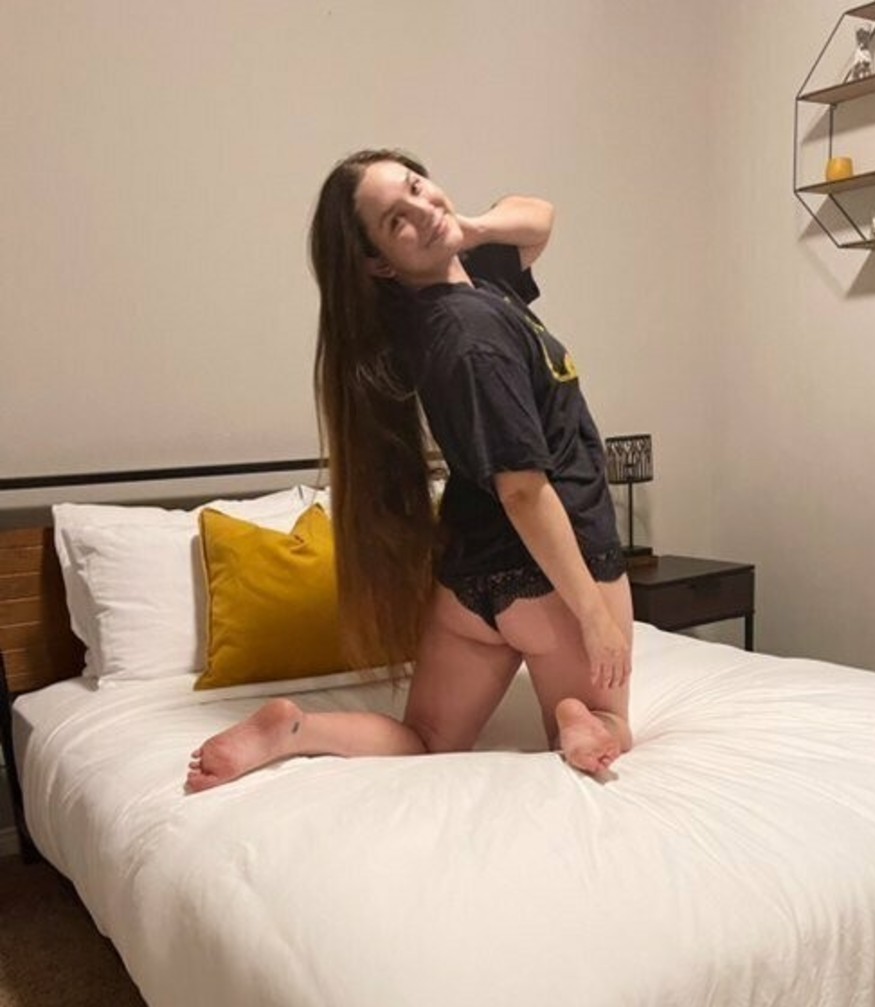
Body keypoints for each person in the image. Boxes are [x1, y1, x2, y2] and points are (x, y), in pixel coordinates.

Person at [186, 148, 633, 792]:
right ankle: (579, 720)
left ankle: (298, 729)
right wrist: (592, 614)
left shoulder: (461, 286)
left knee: (426, 737)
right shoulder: (470, 336)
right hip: (554, 567)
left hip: (471, 578)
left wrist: (465, 226)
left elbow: (539, 216)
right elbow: (522, 491)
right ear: (378, 262)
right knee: (612, 721)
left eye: (418, 188)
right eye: (397, 220)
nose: (422, 211)